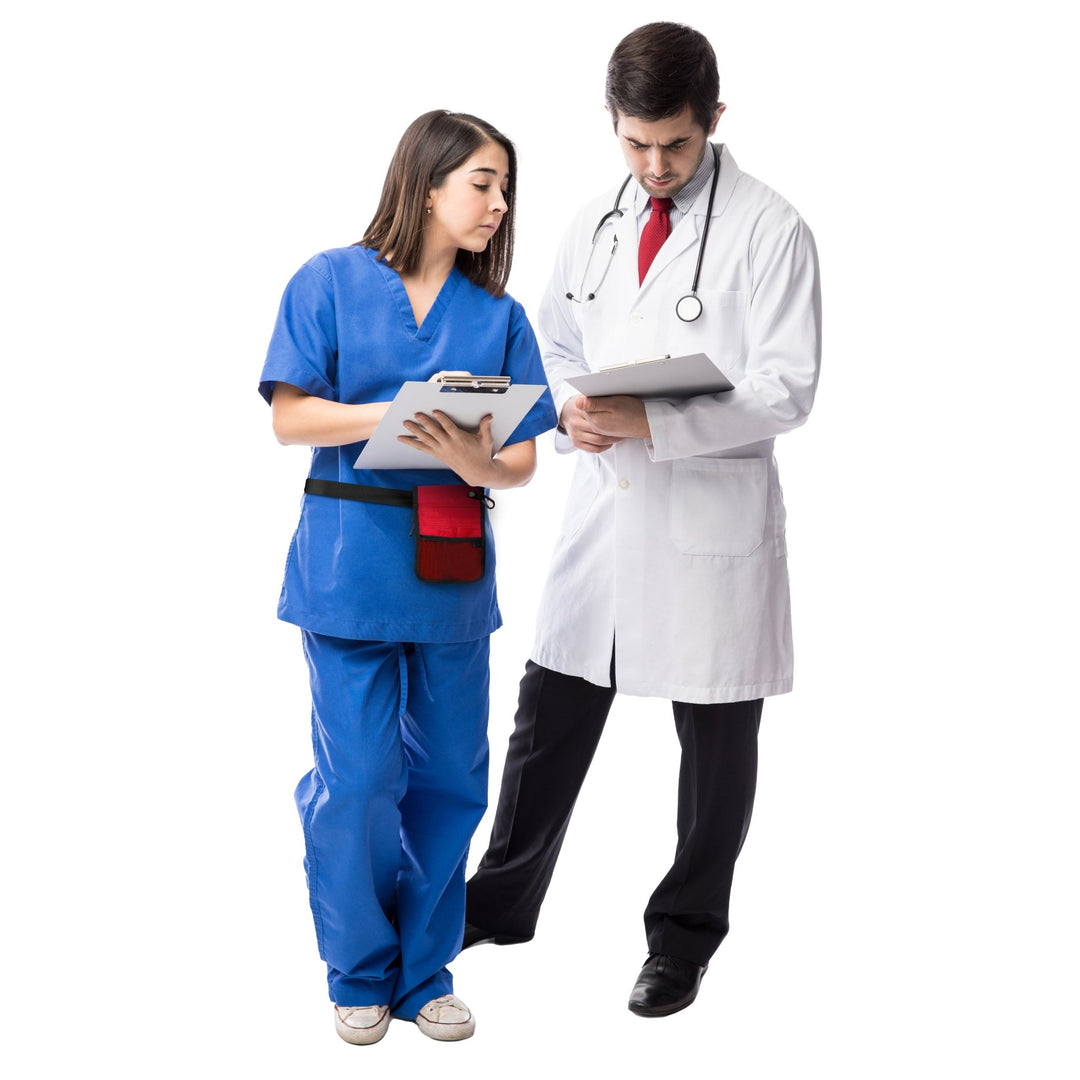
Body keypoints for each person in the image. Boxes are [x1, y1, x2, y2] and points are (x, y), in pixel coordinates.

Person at [463, 23, 822, 1018]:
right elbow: (553, 342)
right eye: (635, 144)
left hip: (711, 518)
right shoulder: (597, 222)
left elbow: (788, 391)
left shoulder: (771, 228)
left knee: (714, 746)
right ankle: (499, 902)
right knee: (549, 715)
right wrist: (577, 406)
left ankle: (684, 940)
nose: (655, 167)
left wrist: (654, 419)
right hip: (604, 515)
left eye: (674, 144)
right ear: (611, 127)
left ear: (715, 118)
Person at [259, 110, 557, 1045]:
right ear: (427, 183)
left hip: (453, 571)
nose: (498, 205)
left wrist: (474, 463)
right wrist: (387, 416)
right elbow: (290, 419)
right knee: (357, 781)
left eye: (505, 188)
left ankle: (426, 970)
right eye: (483, 183)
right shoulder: (329, 282)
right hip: (349, 568)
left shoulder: (499, 316)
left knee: (451, 781)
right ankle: (358, 968)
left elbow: (520, 461)